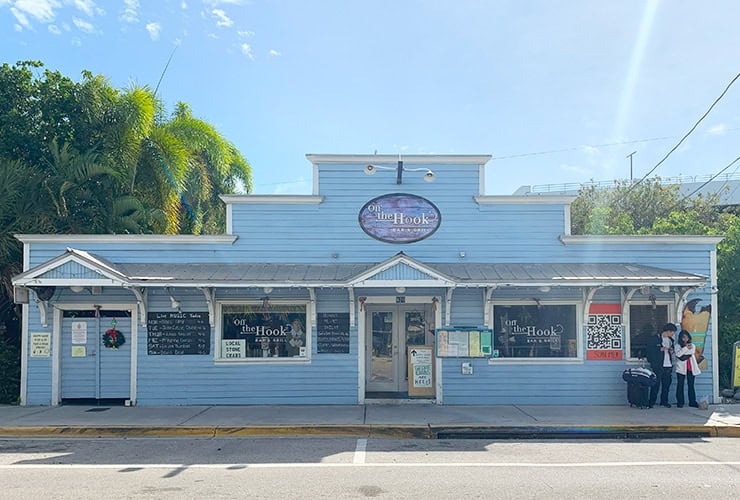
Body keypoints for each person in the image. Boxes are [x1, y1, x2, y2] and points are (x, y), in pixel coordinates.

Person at [646, 323, 676, 408]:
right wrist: (659, 349)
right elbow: (649, 350)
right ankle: (651, 402)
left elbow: (672, 350)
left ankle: (664, 401)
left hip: (668, 365)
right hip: (658, 365)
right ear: (667, 331)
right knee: (656, 384)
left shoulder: (671, 340)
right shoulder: (656, 338)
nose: (673, 334)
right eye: (672, 332)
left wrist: (671, 351)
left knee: (666, 385)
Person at [674, 330, 701, 408]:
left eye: (687, 337)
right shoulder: (677, 346)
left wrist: (683, 353)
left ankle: (692, 401)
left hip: (691, 367)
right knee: (680, 384)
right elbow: (678, 354)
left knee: (691, 385)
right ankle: (680, 402)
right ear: (680, 338)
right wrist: (685, 348)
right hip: (681, 368)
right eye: (683, 338)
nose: (685, 339)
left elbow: (691, 352)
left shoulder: (692, 345)